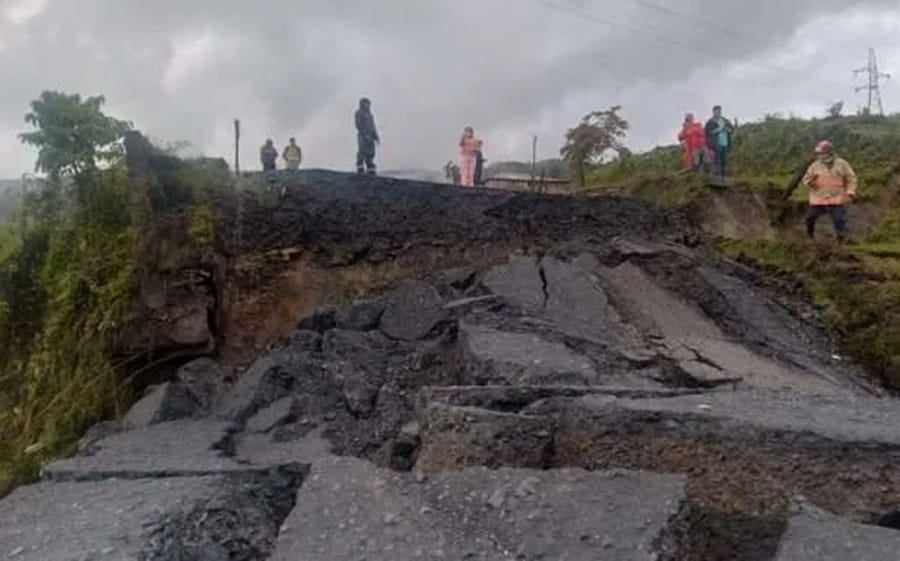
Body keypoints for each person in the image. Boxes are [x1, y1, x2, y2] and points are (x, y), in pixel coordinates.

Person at [802, 140, 857, 243]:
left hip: (836, 198)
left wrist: (850, 192)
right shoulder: (815, 165)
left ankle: (841, 241)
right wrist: (811, 182)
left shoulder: (842, 164)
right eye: (818, 153)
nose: (820, 156)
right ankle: (809, 236)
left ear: (829, 153)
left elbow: (851, 178)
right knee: (809, 218)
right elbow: (806, 179)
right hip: (818, 198)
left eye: (821, 153)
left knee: (840, 220)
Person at [705, 105, 735, 181]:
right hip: (716, 143)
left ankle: (724, 176)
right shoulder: (710, 122)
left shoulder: (725, 120)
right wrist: (719, 129)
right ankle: (717, 176)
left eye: (719, 111)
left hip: (725, 143)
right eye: (717, 111)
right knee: (717, 160)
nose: (718, 112)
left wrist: (727, 129)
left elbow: (732, 130)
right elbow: (709, 132)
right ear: (713, 112)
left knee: (725, 161)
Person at [355, 97, 379, 175]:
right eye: (366, 103)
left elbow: (373, 126)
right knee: (362, 150)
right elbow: (358, 125)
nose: (368, 105)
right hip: (363, 135)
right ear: (362, 104)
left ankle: (370, 167)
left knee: (371, 152)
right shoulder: (359, 113)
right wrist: (365, 134)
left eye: (369, 104)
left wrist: (376, 137)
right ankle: (360, 166)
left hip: (370, 136)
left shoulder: (370, 115)